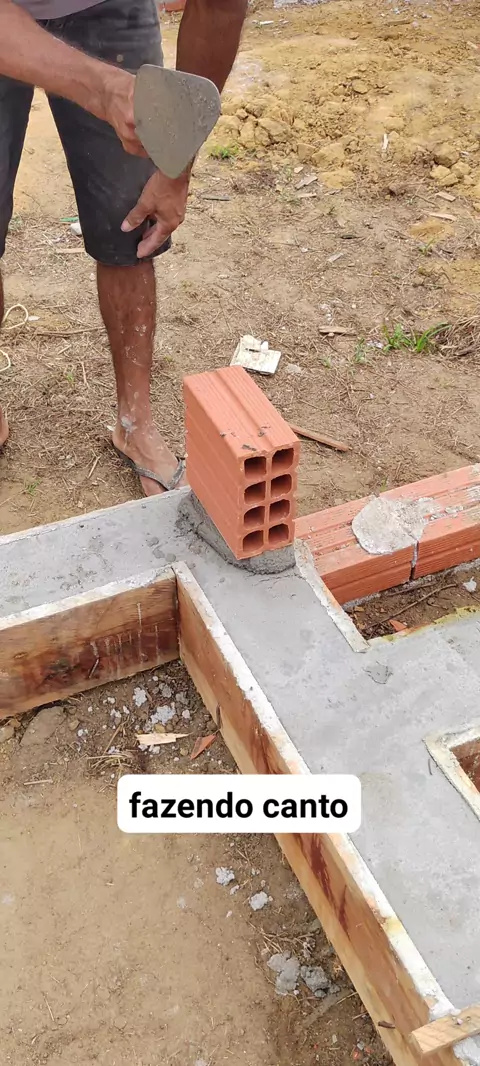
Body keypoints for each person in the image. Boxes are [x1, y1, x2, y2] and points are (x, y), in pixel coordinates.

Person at [0, 0, 247, 494]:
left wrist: (176, 165)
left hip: (107, 8)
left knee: (130, 225)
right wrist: (102, 87)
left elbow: (219, 9)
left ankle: (135, 424)